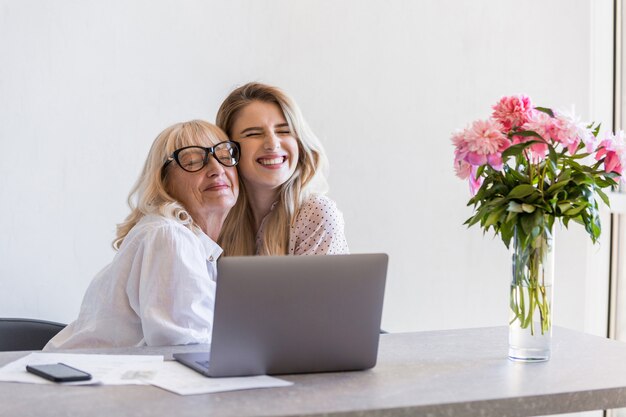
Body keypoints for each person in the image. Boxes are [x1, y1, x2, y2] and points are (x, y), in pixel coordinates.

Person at [45, 120, 239, 349]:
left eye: (225, 157)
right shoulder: (171, 236)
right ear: (164, 182)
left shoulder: (188, 242)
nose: (217, 169)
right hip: (79, 379)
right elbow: (183, 345)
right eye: (194, 162)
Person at [216, 82, 349, 256]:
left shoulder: (316, 213)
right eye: (253, 134)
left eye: (284, 131)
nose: (272, 144)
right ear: (229, 149)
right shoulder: (218, 214)